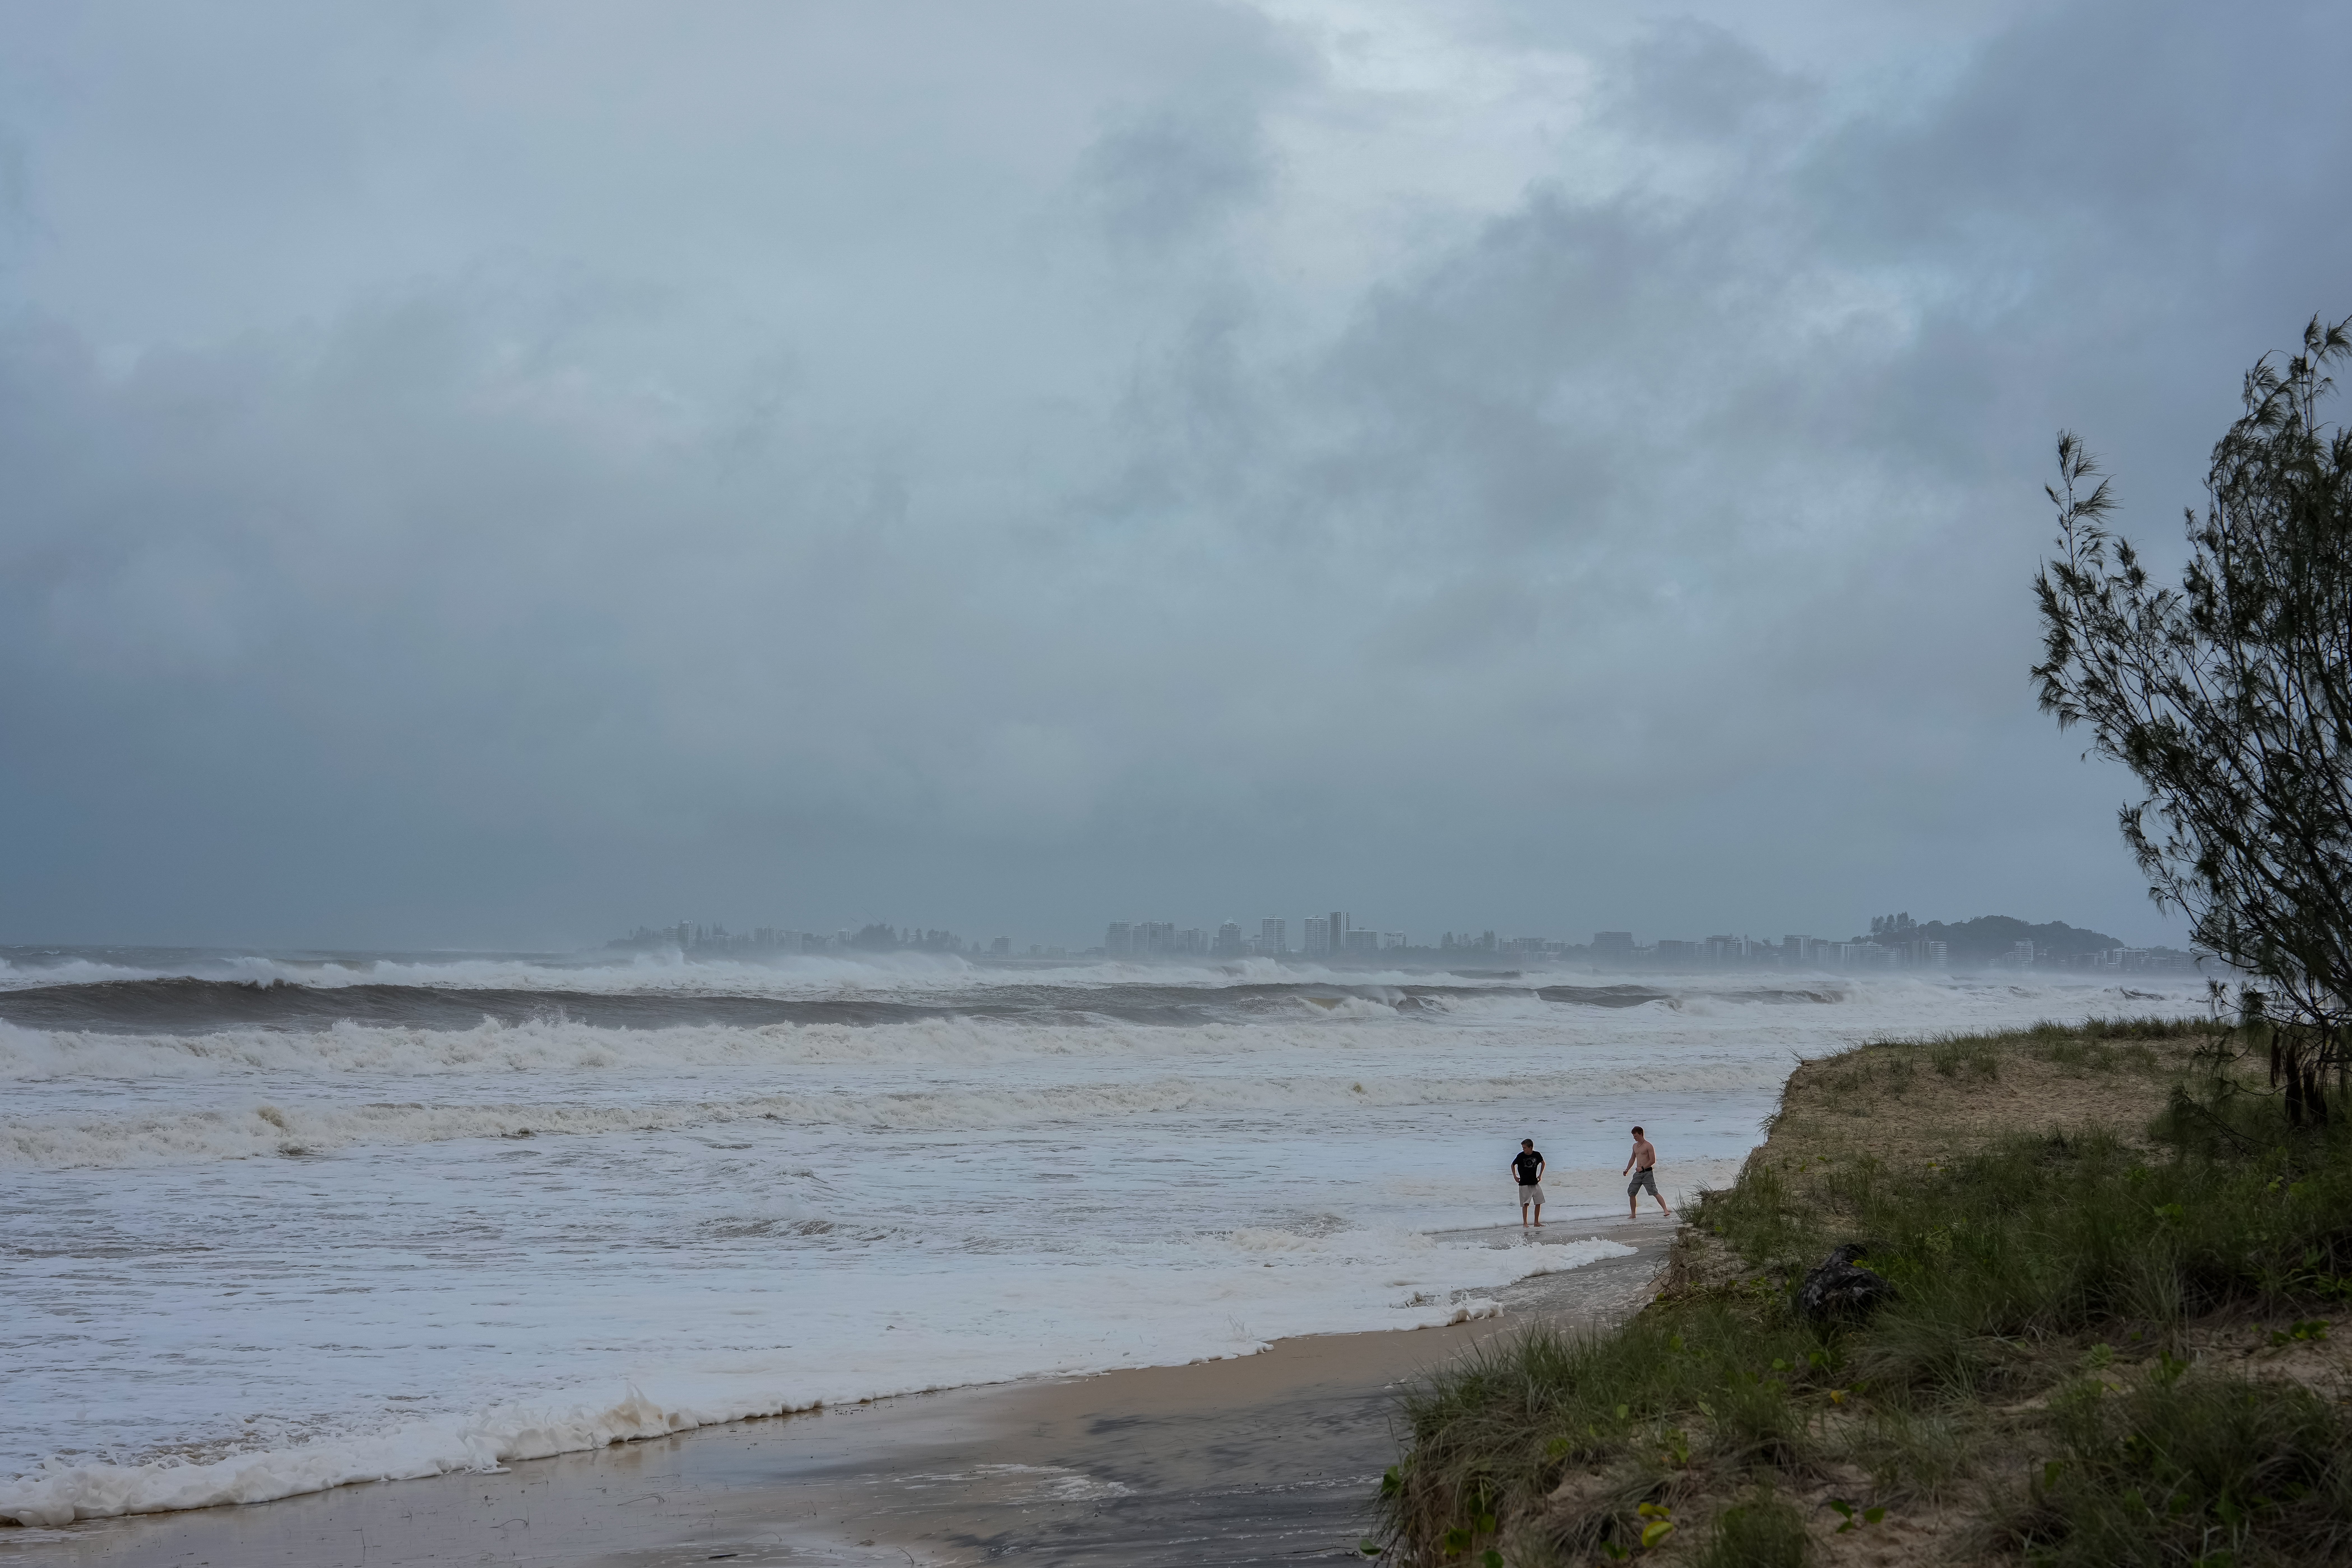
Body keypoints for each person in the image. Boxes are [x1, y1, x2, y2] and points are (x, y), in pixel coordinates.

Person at [1624, 1125, 1670, 1219]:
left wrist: (1643, 1168)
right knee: (1632, 1193)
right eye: (1633, 1136)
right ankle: (1633, 1215)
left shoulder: (1648, 1146)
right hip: (1638, 1174)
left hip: (1647, 1173)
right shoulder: (1635, 1146)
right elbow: (1633, 1159)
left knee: (1654, 1192)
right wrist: (1627, 1169)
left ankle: (1666, 1210)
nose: (1634, 1138)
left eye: (1636, 1136)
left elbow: (1653, 1161)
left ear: (1641, 1134)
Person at [1510, 1138, 1546, 1227]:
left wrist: (1540, 1175)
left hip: (1535, 1183)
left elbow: (1543, 1163)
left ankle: (1536, 1223)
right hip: (1524, 1184)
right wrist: (1515, 1176)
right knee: (1526, 1204)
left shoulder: (1537, 1155)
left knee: (1539, 1202)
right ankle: (1525, 1224)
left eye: (1525, 1148)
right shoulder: (1521, 1156)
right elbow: (1513, 1165)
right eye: (1523, 1148)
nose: (1524, 1150)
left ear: (1531, 1148)